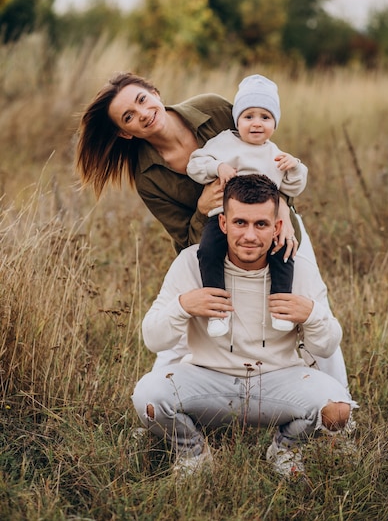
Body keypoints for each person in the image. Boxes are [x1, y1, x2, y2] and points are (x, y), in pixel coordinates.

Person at [76, 72, 348, 385]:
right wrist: (202, 209)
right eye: (129, 117)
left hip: (278, 229)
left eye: (142, 100)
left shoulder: (213, 110)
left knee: (310, 309)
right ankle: (161, 400)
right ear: (125, 133)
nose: (143, 113)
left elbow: (264, 147)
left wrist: (283, 207)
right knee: (192, 314)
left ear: (155, 92)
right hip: (215, 248)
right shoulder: (148, 177)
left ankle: (337, 408)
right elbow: (184, 242)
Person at [131, 175, 357, 478]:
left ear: (277, 226)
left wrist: (312, 315)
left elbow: (326, 346)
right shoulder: (190, 263)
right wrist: (183, 305)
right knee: (148, 396)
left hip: (277, 380)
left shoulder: (299, 268)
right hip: (208, 378)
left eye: (261, 224)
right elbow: (153, 339)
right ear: (223, 223)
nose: (249, 235)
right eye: (240, 223)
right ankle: (193, 454)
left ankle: (286, 449)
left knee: (338, 409)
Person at [187, 74, 308, 337]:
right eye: (248, 116)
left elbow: (293, 188)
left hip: (265, 223)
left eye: (265, 117)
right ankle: (218, 313)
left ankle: (280, 306)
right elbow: (194, 165)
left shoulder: (275, 153)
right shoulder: (224, 143)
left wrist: (296, 166)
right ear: (237, 120)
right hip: (225, 217)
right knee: (208, 251)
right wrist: (216, 166)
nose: (256, 124)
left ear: (275, 123)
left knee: (283, 253)